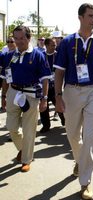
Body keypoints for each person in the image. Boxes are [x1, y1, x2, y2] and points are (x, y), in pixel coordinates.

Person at [54, 3, 93, 199]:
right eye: (90, 16)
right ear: (80, 17)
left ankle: (85, 181)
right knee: (72, 135)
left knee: (90, 137)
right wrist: (58, 96)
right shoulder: (67, 42)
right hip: (71, 91)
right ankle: (79, 161)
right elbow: (59, 72)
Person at [0, 25, 51, 172]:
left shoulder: (38, 55)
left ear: (28, 38)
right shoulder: (9, 56)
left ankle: (26, 159)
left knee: (29, 129)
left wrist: (44, 98)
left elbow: (45, 79)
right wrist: (4, 96)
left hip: (31, 94)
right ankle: (23, 148)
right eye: (16, 38)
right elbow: (4, 78)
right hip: (13, 92)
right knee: (11, 127)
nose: (18, 41)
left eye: (22, 38)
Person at [39, 38, 65, 133]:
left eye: (55, 45)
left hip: (55, 86)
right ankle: (46, 125)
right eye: (52, 45)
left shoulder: (58, 55)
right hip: (43, 85)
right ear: (46, 46)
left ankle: (64, 119)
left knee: (59, 104)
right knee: (43, 106)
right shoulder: (41, 55)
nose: (55, 47)